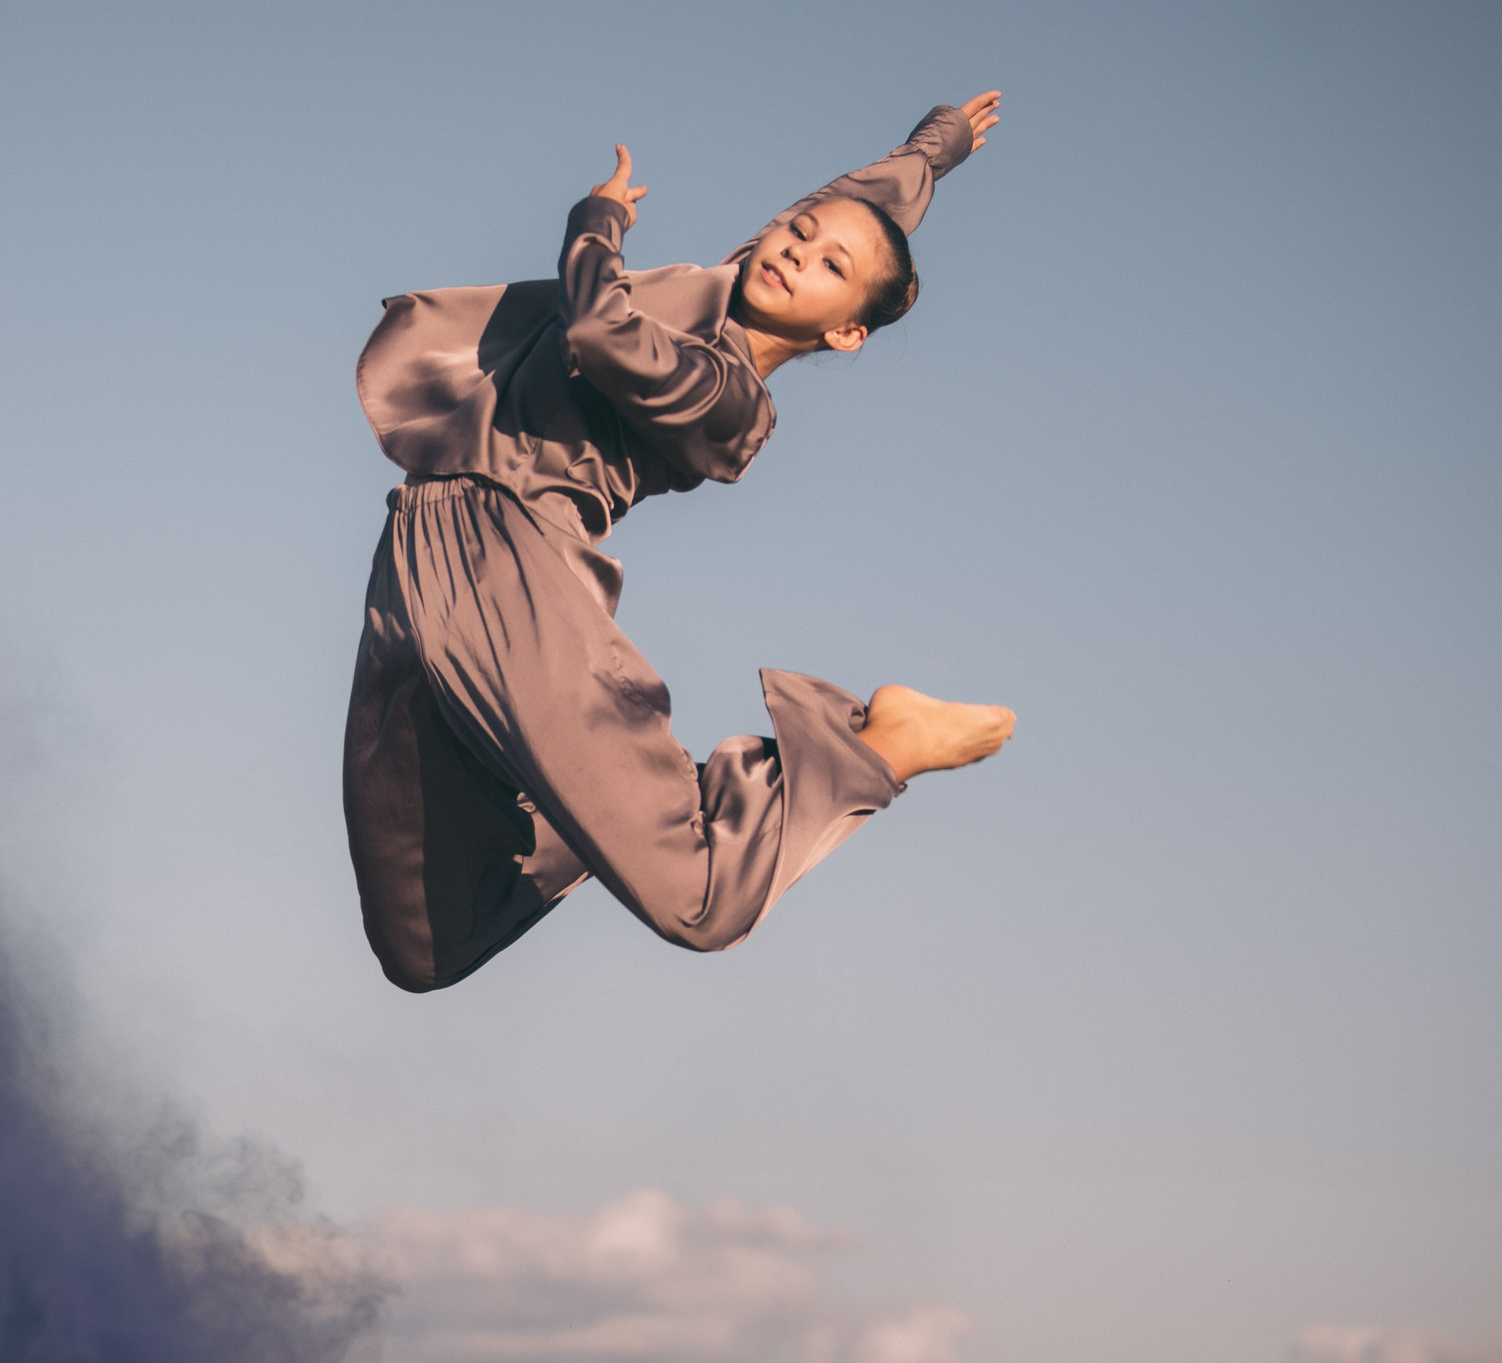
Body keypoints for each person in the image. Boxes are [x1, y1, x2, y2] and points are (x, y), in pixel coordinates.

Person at [342, 92, 1017, 993]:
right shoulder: (724, 284)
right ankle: (594, 801)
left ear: (846, 329)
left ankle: (878, 745)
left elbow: (598, 329)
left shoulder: (728, 400)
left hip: (512, 561)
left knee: (700, 899)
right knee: (425, 942)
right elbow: (864, 197)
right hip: (419, 545)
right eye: (796, 230)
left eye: (827, 265)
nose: (793, 249)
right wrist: (939, 145)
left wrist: (599, 220)